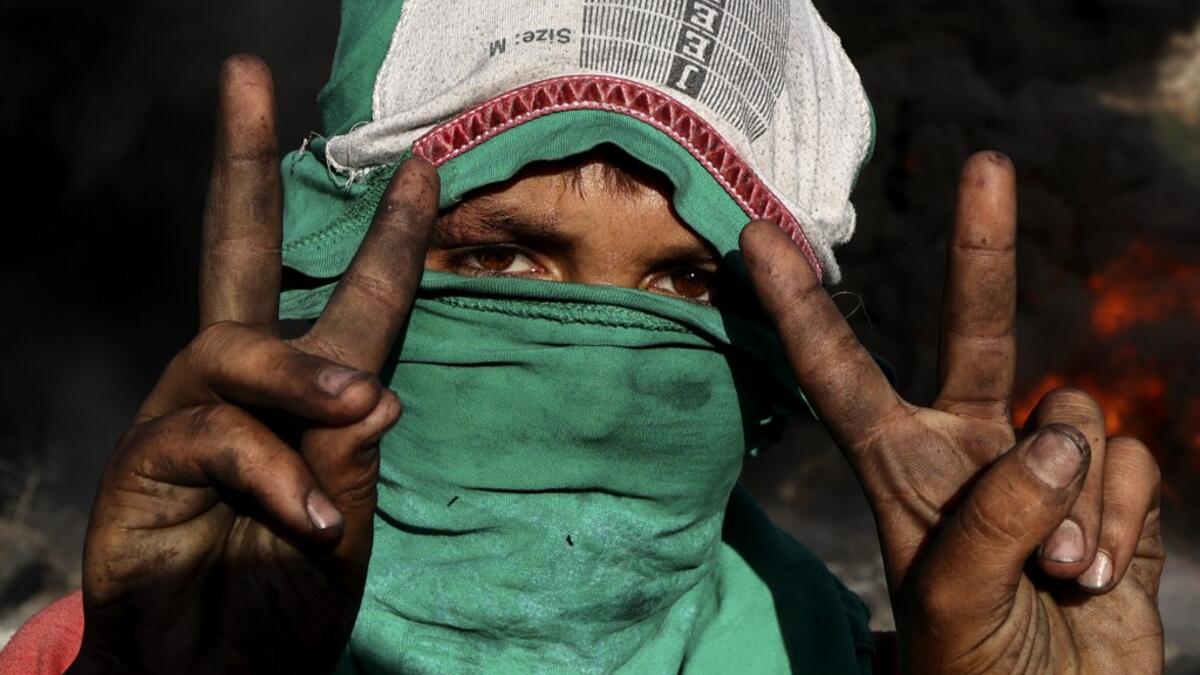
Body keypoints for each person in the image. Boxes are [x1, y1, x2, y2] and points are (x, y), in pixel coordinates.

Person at [1, 1, 1165, 673]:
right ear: (329, 267)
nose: (603, 374)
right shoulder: (121, 651)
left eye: (691, 283)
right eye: (499, 260)